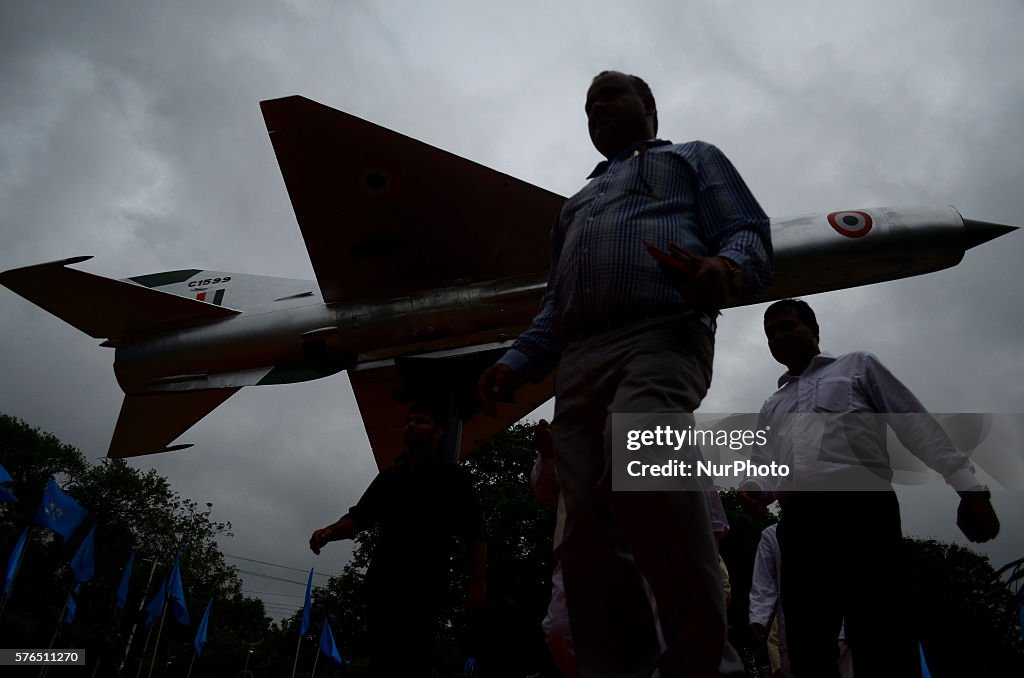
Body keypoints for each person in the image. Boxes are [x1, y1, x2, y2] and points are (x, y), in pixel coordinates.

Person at [479, 71, 772, 677]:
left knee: (646, 460)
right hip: (579, 361)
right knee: (584, 529)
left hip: (661, 332)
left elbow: (748, 232)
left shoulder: (693, 159)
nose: (597, 108)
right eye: (589, 105)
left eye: (611, 95)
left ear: (650, 105)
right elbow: (554, 308)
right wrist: (514, 361)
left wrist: (725, 267)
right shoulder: (575, 206)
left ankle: (703, 665)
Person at [739, 298, 1000, 678]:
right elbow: (764, 466)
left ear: (814, 330)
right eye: (770, 333)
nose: (777, 337)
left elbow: (914, 424)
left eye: (786, 326)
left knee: (881, 629)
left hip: (863, 511)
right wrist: (753, 489)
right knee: (807, 638)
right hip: (800, 524)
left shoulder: (857, 366)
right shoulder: (773, 404)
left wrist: (968, 487)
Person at [309, 402, 488, 677]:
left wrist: (478, 582)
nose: (411, 425)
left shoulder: (453, 479)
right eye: (408, 421)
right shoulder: (390, 478)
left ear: (439, 432)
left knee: (415, 658)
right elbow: (358, 518)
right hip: (382, 584)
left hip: (425, 586)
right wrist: (329, 532)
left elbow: (476, 532)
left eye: (420, 420)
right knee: (382, 660)